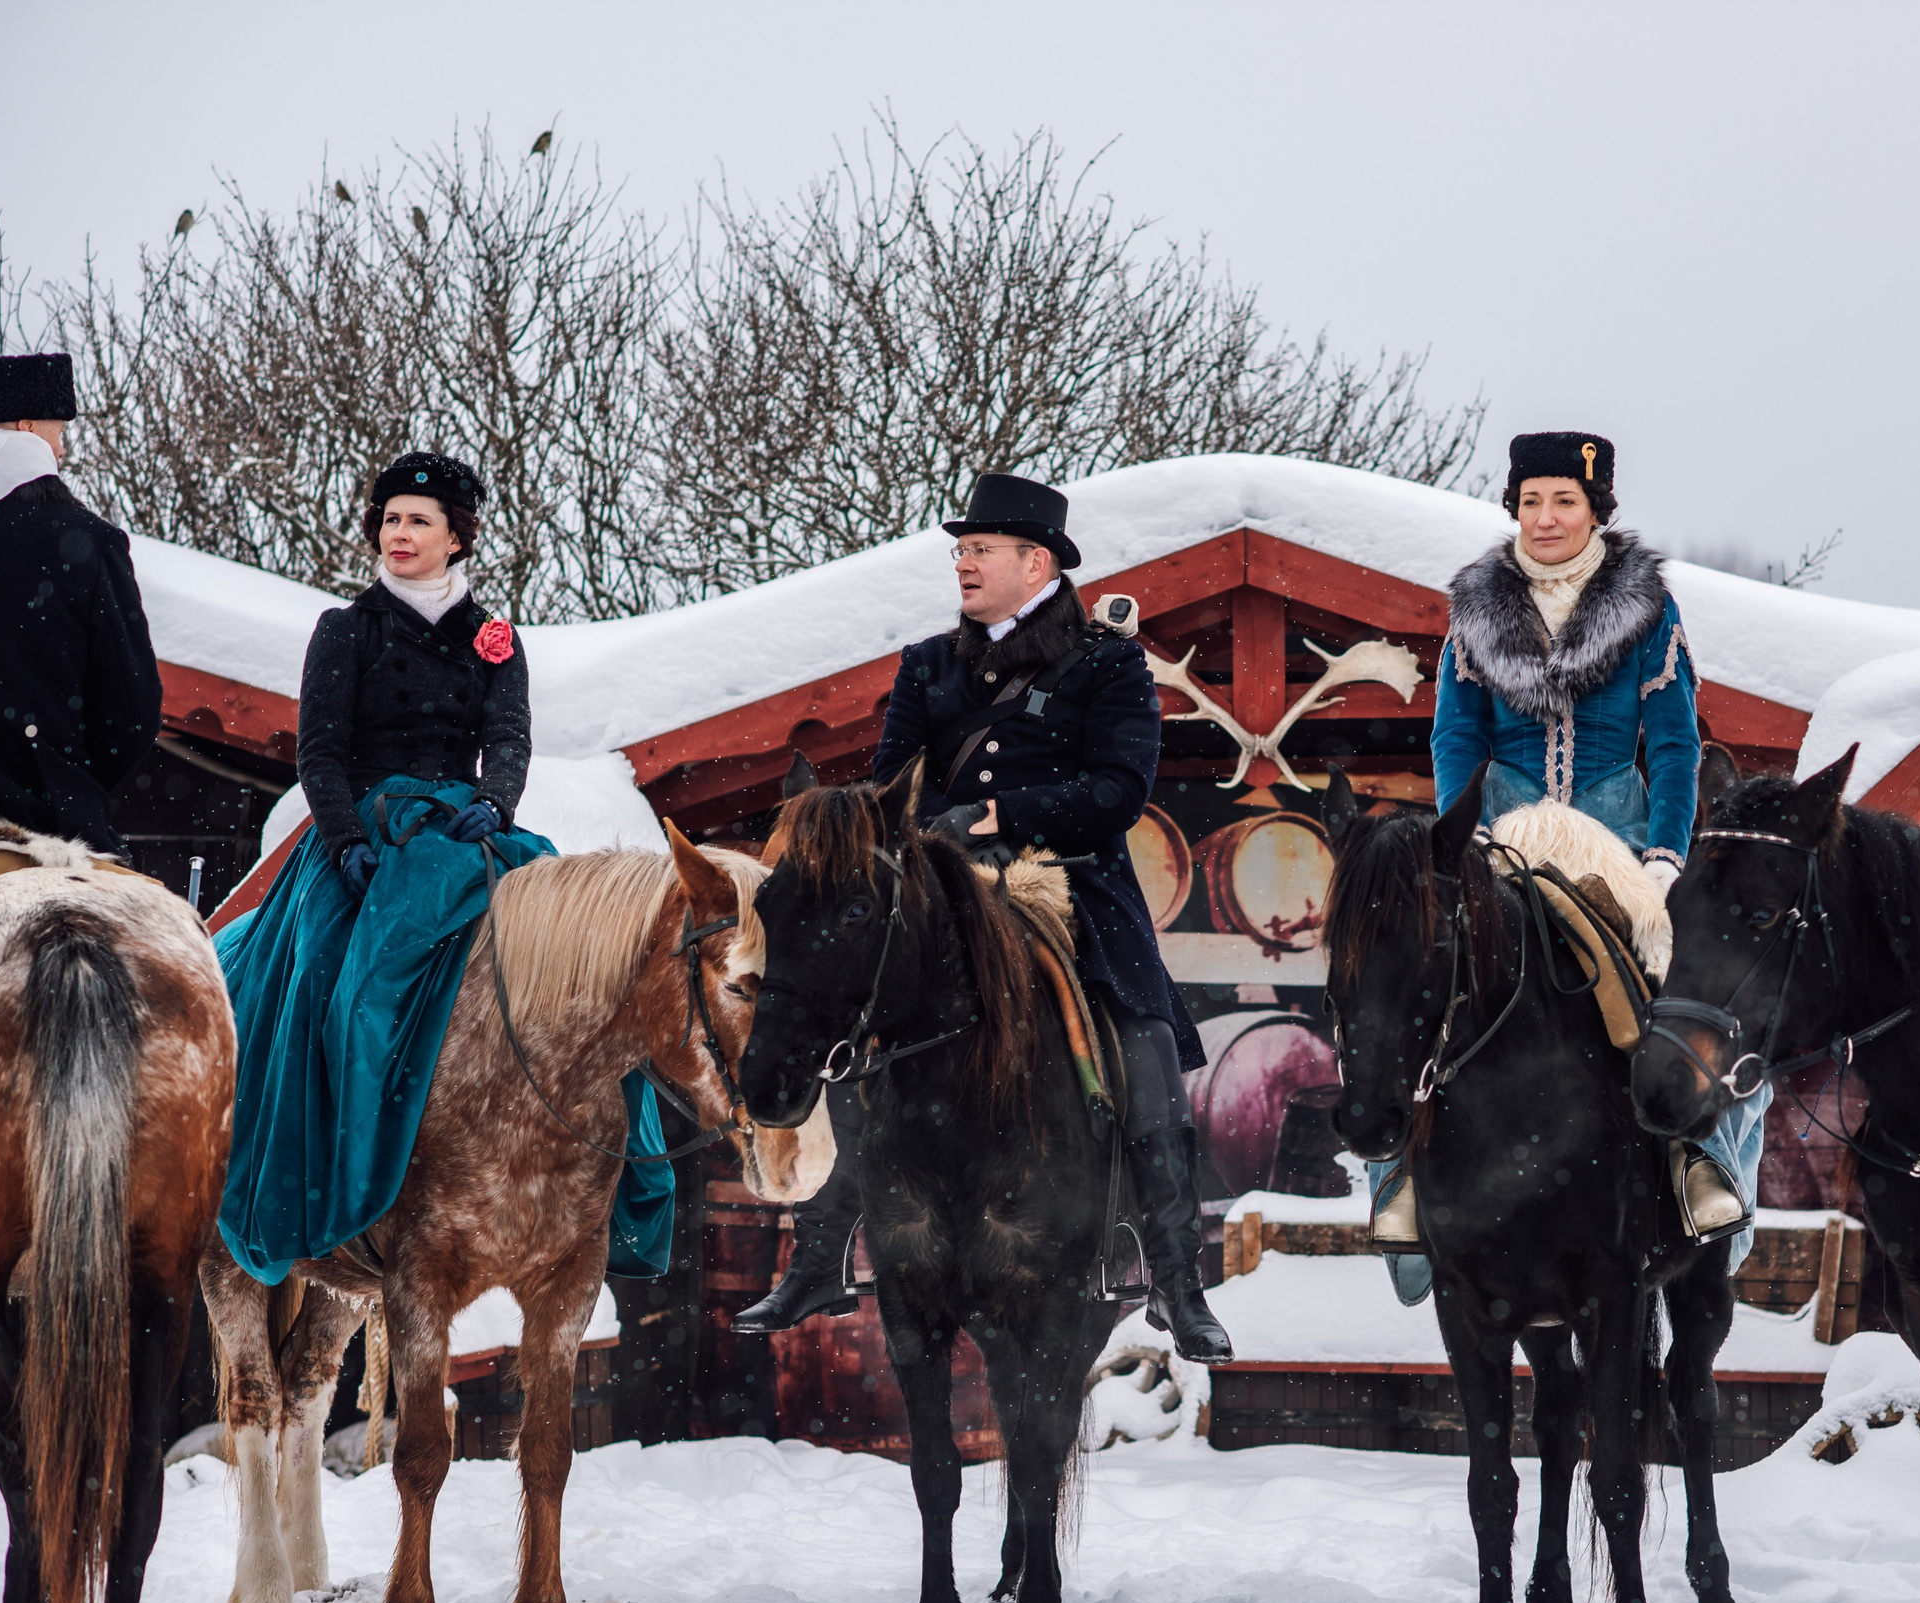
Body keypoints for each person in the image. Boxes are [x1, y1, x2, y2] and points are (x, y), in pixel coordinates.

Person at [734, 473, 1233, 1365]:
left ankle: (1175, 1279)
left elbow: (1119, 792)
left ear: (1035, 561)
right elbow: (894, 781)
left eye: (980, 550)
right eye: (959, 551)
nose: (962, 564)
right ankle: (819, 1256)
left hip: (1072, 887)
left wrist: (1002, 817)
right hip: (947, 891)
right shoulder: (927, 663)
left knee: (1146, 1052)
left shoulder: (1107, 662)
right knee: (860, 1023)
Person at [215, 451, 671, 1284]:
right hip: (364, 837)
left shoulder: (494, 640)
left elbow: (509, 741)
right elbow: (318, 752)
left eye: (418, 519)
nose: (399, 532)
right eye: (389, 518)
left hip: (467, 833)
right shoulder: (344, 631)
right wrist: (348, 837)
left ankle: (605, 1181)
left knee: (587, 980)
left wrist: (495, 805)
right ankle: (338, 1196)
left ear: (458, 538)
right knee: (335, 986)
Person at [1402, 431, 1768, 1289]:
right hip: (1499, 830)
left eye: (1564, 500)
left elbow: (1674, 743)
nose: (1546, 517)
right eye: (1531, 501)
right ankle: (1404, 1184)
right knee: (1415, 978)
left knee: (1693, 991)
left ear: (1597, 510)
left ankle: (1699, 1164)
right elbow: (1456, 734)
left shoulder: (1650, 610)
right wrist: (1467, 835)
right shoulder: (1474, 611)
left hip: (1620, 831)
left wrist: (1666, 856)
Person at [0, 352, 162, 867]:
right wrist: (62, 769)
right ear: (28, 427)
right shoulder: (87, 540)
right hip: (47, 813)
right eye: (59, 432)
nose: (61, 448)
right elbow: (132, 709)